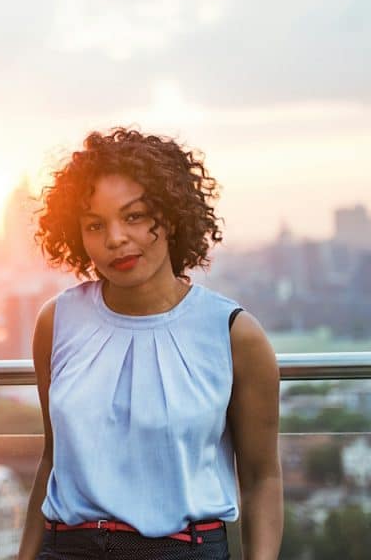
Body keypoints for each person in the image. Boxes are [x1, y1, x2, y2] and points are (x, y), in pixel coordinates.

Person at [17, 128, 283, 559]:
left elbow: (262, 479)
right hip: (65, 549)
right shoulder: (57, 321)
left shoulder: (235, 335)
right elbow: (53, 461)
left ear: (173, 216)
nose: (115, 238)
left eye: (134, 216)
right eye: (95, 225)